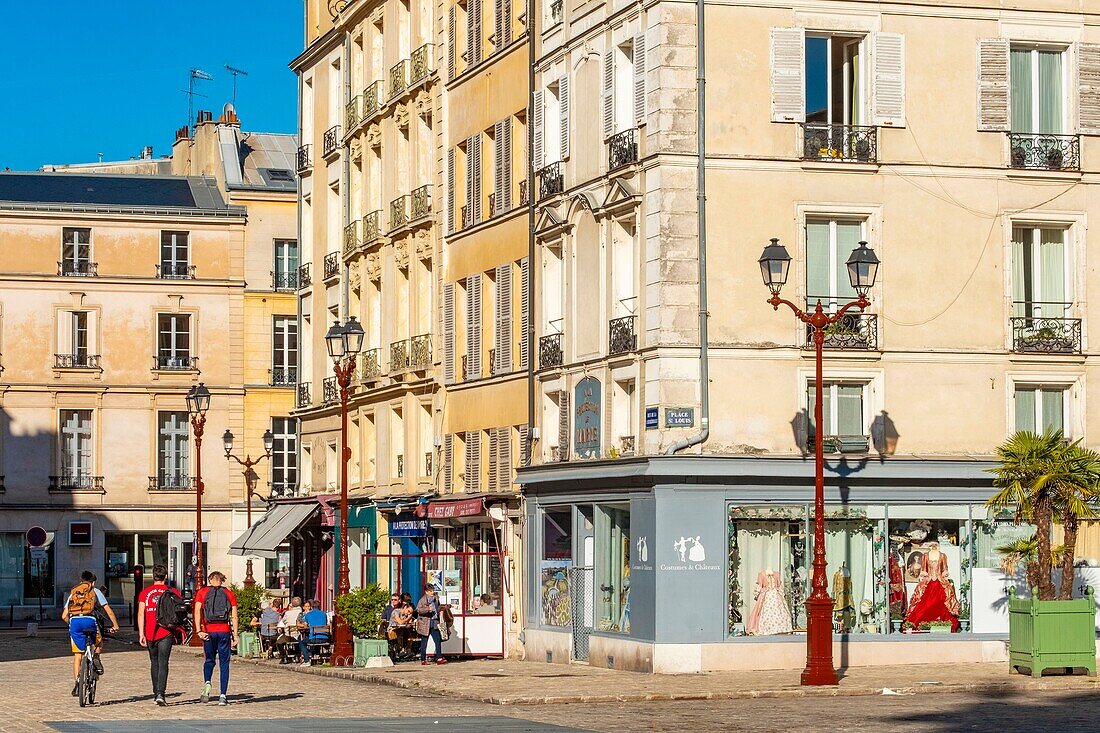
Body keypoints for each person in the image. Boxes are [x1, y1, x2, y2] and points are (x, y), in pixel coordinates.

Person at [61, 570, 119, 697]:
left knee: (77, 655)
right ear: (93, 582)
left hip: (75, 622)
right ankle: (96, 657)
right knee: (98, 640)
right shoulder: (95, 591)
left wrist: (71, 624)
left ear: (81, 581)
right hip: (90, 621)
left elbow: (64, 616)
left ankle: (77, 683)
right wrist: (115, 625)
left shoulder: (74, 593)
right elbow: (108, 611)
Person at [137, 564, 180, 706]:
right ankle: (161, 693)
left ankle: (156, 692)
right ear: (165, 577)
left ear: (153, 576)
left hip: (150, 632)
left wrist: (141, 633)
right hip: (166, 631)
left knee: (154, 662)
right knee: (163, 662)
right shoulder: (172, 591)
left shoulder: (145, 592)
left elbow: (141, 613)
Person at [193, 571, 238, 705]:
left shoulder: (203, 592)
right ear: (222, 580)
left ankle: (207, 682)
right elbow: (234, 615)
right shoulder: (228, 593)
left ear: (210, 580)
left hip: (209, 631)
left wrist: (198, 630)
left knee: (209, 660)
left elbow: (197, 611)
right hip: (223, 630)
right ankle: (223, 695)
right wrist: (235, 634)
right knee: (224, 663)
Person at [415, 584, 447, 665]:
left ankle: (439, 658)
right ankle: (423, 659)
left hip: (434, 622)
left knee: (438, 640)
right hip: (425, 623)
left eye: (432, 590)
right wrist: (427, 609)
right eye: (430, 591)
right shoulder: (422, 600)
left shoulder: (436, 599)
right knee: (424, 642)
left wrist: (441, 610)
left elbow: (438, 607)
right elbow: (418, 610)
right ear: (426, 592)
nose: (432, 592)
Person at [296, 599, 330, 666]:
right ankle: (315, 656)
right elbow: (326, 624)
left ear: (311, 607)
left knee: (302, 642)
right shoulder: (324, 614)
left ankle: (306, 660)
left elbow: (305, 625)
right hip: (324, 638)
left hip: (314, 638)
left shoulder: (308, 615)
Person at [276, 597, 303, 664]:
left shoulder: (288, 613)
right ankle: (297, 655)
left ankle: (284, 657)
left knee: (278, 642)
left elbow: (282, 622)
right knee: (298, 639)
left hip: (289, 636)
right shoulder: (301, 612)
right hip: (299, 635)